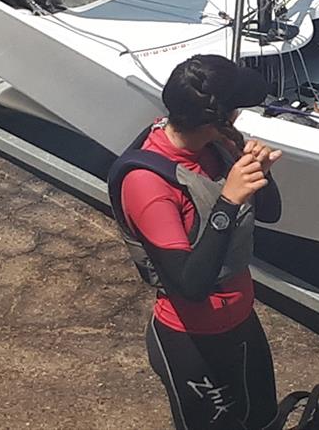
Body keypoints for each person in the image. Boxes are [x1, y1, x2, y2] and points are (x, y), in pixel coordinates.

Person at [108, 54, 282, 430]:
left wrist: (258, 173)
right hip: (192, 340)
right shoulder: (147, 184)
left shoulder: (217, 146)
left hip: (242, 325)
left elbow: (270, 213)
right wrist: (228, 201)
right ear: (224, 116)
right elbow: (189, 284)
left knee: (265, 421)